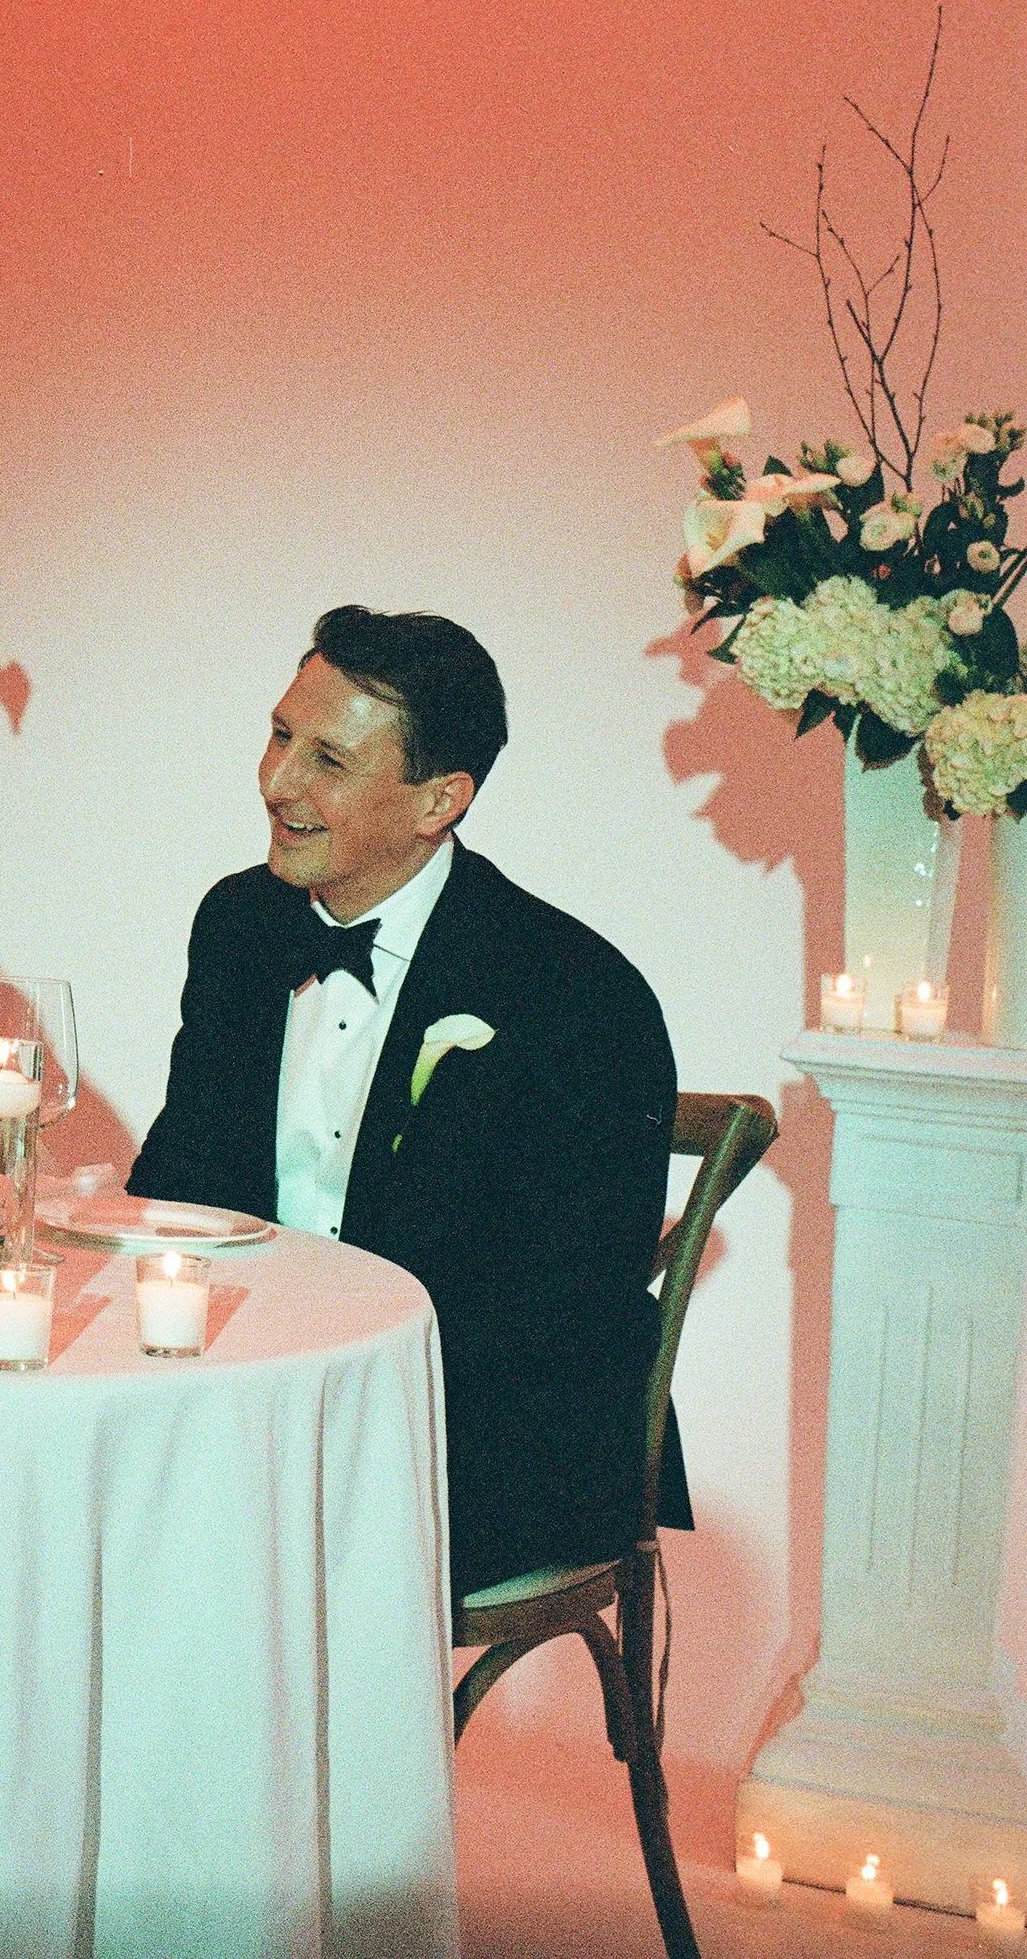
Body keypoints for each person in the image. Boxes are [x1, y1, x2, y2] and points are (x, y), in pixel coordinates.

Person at [127, 604, 688, 1599]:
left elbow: (553, 1316)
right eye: (278, 734)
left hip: (474, 1444)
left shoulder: (575, 996)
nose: (276, 783)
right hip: (253, 1417)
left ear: (439, 802)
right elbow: (179, 1184)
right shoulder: (238, 923)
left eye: (327, 761)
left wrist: (310, 1404)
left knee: (183, 1548)